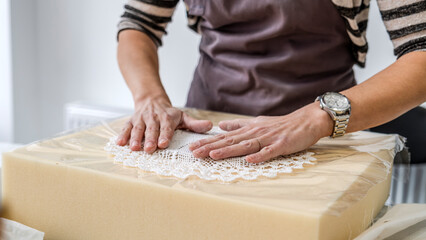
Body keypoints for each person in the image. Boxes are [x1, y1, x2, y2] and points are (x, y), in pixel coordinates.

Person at [115, 0, 426, 163]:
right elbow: (138, 25)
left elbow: (421, 52)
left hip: (324, 138)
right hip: (209, 129)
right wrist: (150, 99)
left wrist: (318, 118)